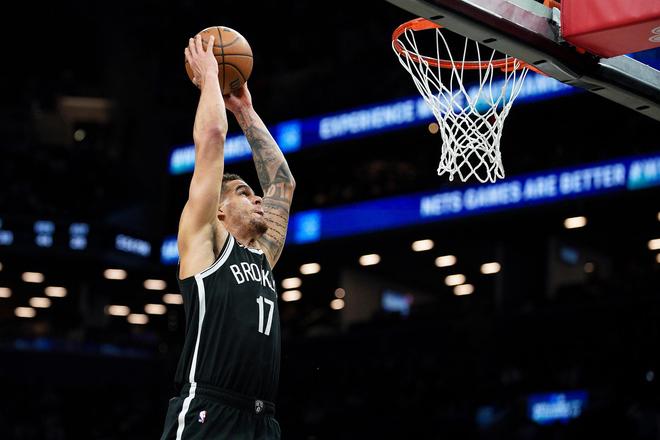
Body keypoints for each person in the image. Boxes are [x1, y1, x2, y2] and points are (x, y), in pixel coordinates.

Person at [160, 34, 295, 440]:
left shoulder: (262, 256)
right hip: (209, 410)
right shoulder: (207, 242)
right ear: (218, 209)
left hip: (263, 419)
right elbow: (212, 139)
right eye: (243, 193)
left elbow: (282, 184)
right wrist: (211, 78)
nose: (258, 199)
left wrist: (245, 111)